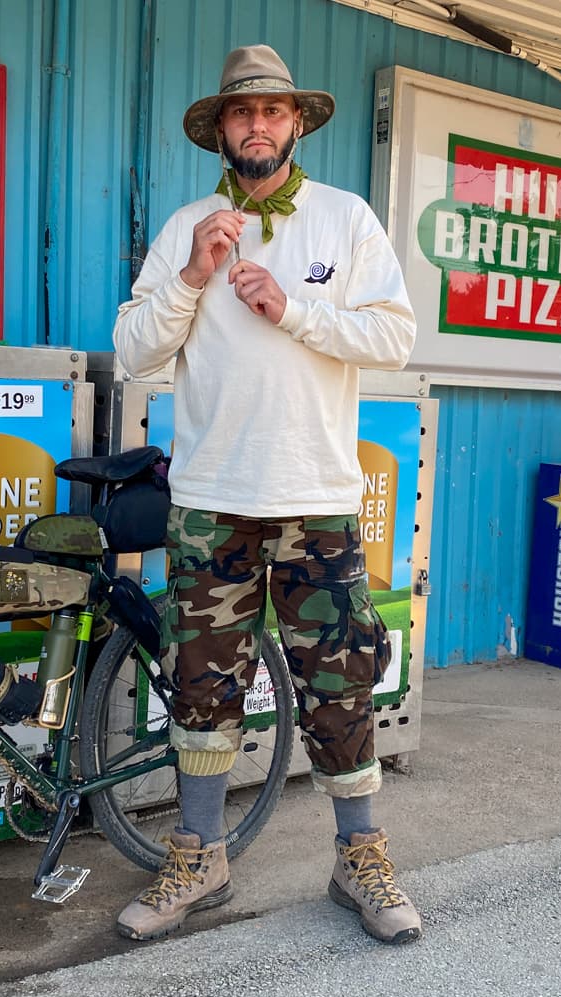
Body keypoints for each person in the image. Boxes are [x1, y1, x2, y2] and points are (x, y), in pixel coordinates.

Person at [112, 44, 420, 945]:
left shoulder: (345, 219)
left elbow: (393, 338)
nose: (258, 125)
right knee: (204, 686)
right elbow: (133, 352)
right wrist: (194, 277)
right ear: (221, 130)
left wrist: (293, 310)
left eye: (273, 112)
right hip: (212, 498)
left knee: (340, 683)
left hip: (317, 496)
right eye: (243, 114)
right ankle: (199, 857)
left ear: (296, 124)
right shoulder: (187, 227)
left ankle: (358, 857)